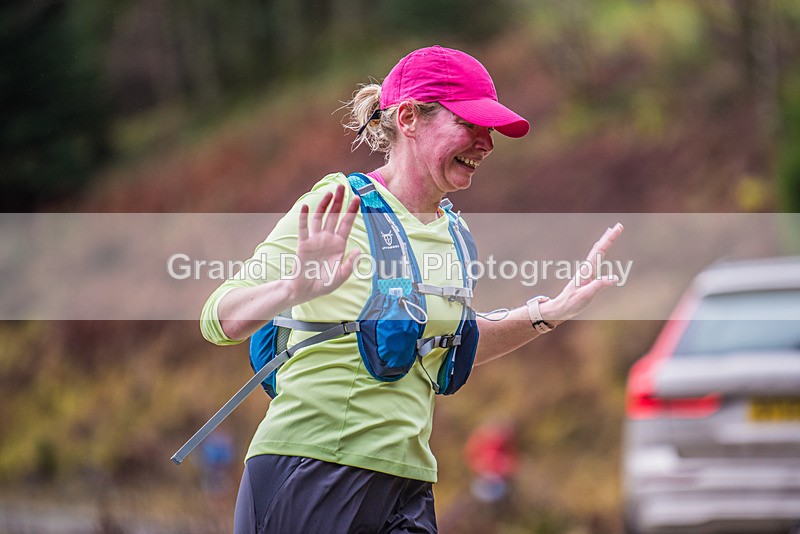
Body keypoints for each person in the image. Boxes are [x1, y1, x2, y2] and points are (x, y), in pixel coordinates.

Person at [199, 45, 623, 533]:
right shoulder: (339, 204)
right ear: (408, 118)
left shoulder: (454, 234)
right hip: (310, 468)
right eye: (471, 124)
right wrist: (293, 285)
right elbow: (219, 318)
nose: (486, 142)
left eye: (491, 131)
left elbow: (450, 345)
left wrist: (550, 312)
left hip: (407, 483)